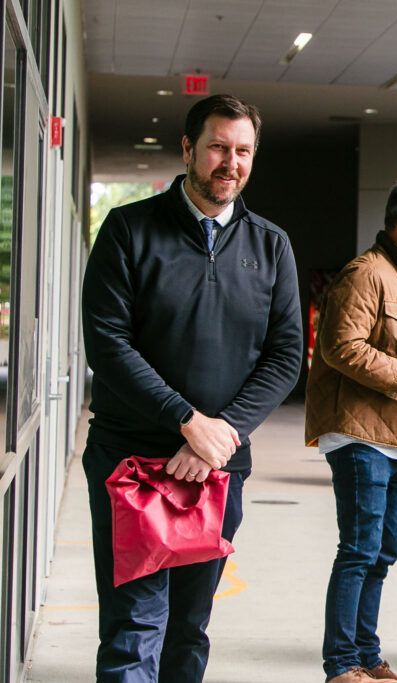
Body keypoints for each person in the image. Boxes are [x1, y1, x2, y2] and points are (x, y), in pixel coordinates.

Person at [81, 94, 303, 681]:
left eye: (243, 151)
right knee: (133, 627)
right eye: (217, 148)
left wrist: (218, 435)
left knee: (189, 626)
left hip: (219, 469)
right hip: (131, 461)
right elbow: (107, 343)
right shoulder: (129, 229)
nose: (230, 163)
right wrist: (186, 419)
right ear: (187, 150)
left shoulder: (271, 244)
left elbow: (284, 357)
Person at [305, 174, 397, 683]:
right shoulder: (364, 274)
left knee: (382, 552)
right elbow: (339, 346)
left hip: (395, 434)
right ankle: (341, 664)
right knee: (360, 549)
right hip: (361, 434)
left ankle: (367, 659)